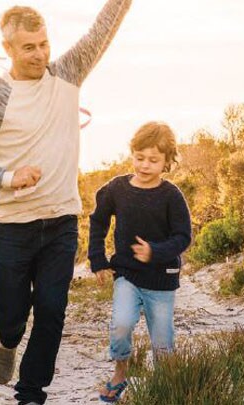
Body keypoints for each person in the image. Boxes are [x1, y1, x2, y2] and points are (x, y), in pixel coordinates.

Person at [0, 2, 132, 404]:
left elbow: (101, 30)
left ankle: (31, 393)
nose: (39, 54)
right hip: (13, 226)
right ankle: (8, 340)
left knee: (52, 310)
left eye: (44, 44)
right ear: (8, 48)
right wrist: (8, 178)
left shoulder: (66, 75)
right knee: (12, 314)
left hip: (61, 221)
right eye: (28, 47)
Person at [88, 122, 192, 403]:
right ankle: (120, 371)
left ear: (167, 161)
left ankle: (167, 387)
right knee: (121, 324)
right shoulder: (117, 189)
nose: (145, 165)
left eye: (153, 160)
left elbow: (183, 236)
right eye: (139, 157)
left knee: (162, 342)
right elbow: (98, 221)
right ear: (132, 154)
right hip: (127, 274)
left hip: (161, 278)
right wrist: (97, 259)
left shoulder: (171, 196)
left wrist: (155, 251)